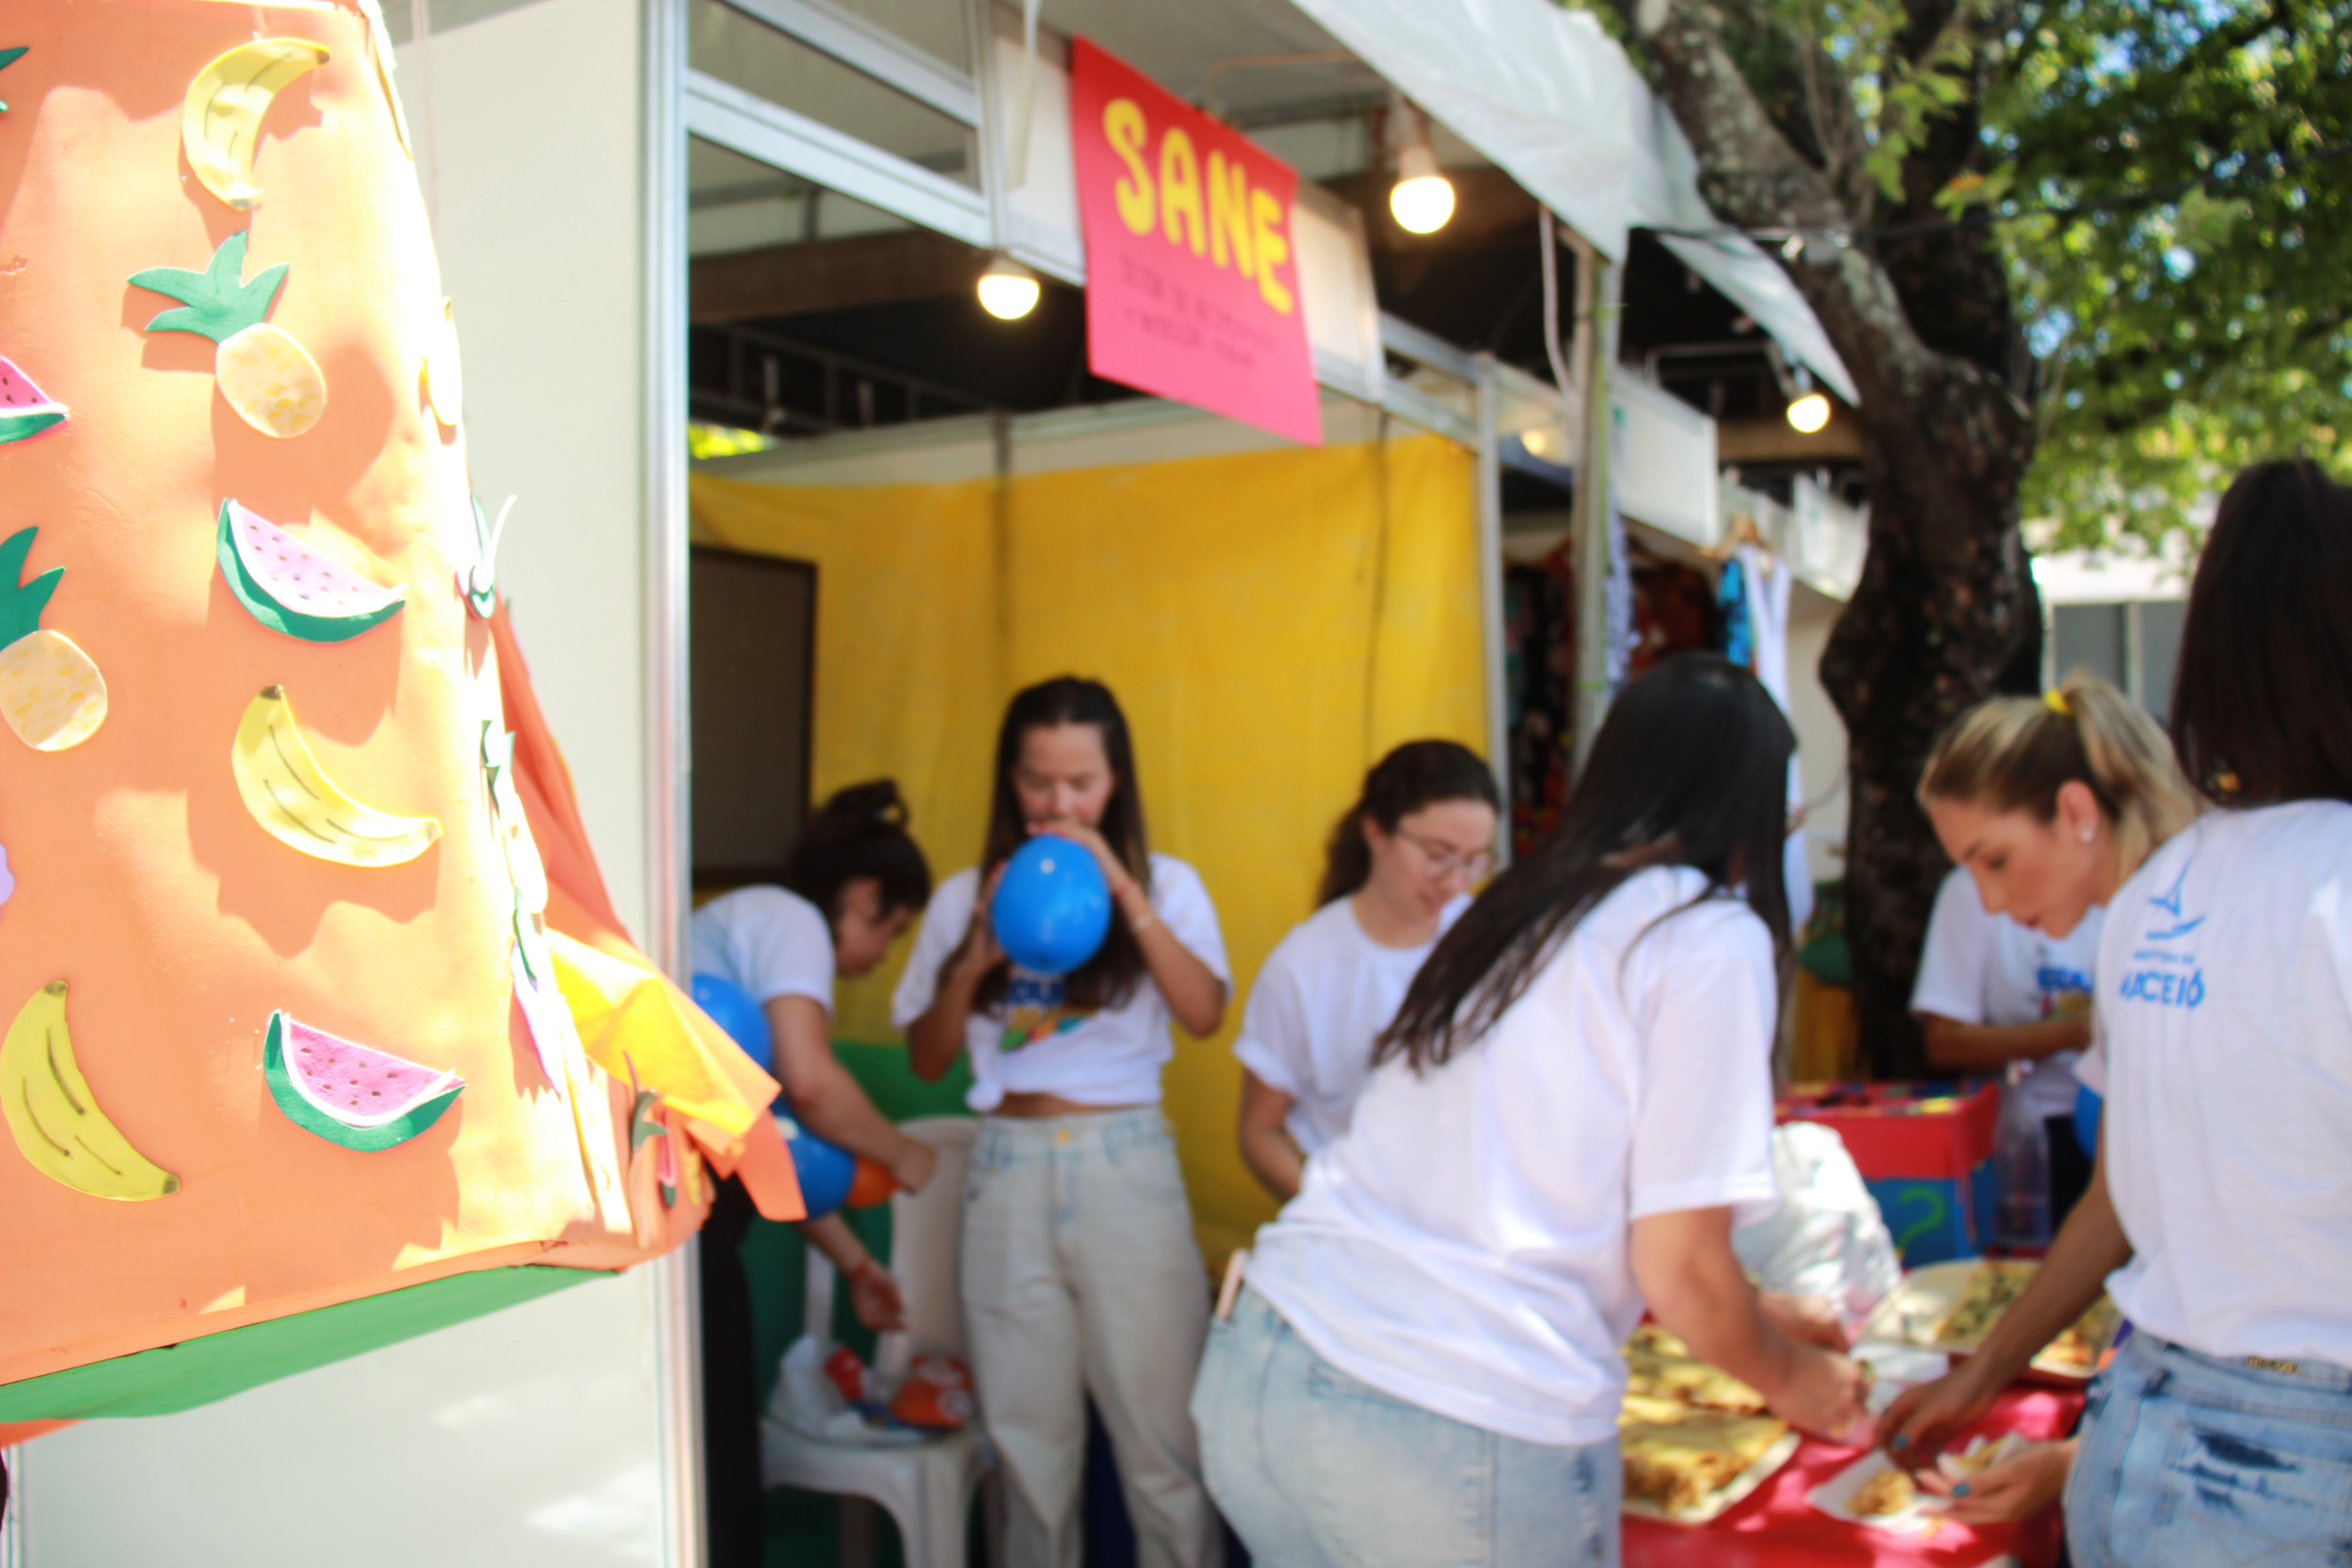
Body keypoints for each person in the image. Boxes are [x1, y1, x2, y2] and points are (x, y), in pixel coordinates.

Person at [1194, 656, 1868, 1568]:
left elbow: (1524, 1207)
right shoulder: (1705, 935)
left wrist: (1758, 1313)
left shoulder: (1513, 909)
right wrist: (1795, 1380)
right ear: (1745, 810)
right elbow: (1677, 1265)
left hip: (1267, 1367)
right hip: (1446, 1418)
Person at [1881, 458, 2352, 1566]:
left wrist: (1991, 1372)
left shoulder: (2157, 893)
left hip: (2147, 1423)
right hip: (2287, 1446)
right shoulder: (2321, 875)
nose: (1991, 897)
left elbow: (2123, 1192)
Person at [896, 676, 1231, 1568]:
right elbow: (926, 1058)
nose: (1060, 805)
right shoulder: (969, 893)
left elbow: (1203, 1013)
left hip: (1127, 1167)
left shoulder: (1169, 885)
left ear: (1116, 780)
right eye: (1040, 783)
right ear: (1011, 780)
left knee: (1163, 1449)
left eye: (1082, 783)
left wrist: (1121, 883)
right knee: (1029, 1453)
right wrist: (973, 961)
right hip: (1006, 1167)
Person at [691, 779, 936, 1568]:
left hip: (695, 1227)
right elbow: (814, 1085)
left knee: (717, 1453)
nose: (876, 961)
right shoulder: (790, 918)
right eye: (890, 933)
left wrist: (857, 1265)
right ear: (861, 898)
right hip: (686, 1229)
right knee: (713, 1462)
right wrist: (902, 1154)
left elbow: (774, 1149)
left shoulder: (745, 927)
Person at [1911, 670, 2199, 1221]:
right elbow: (2114, 1206)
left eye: (1997, 862)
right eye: (1970, 872)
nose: (1990, 903)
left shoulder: (2179, 924)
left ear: (2077, 813)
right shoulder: (2135, 927)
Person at [1233, 740, 1499, 1201]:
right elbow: (1259, 1132)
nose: (1455, 882)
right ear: (1376, 830)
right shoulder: (1302, 969)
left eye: (1475, 861)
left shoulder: (1489, 941)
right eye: (1438, 854)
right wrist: (1330, 1208)